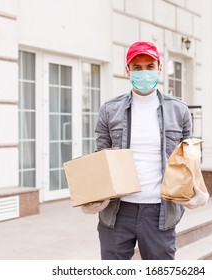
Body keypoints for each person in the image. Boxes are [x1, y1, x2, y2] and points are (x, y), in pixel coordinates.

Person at [81, 41, 193, 260]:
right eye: (137, 67)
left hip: (159, 212)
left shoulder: (179, 111)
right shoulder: (109, 110)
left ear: (159, 68)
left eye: (150, 67)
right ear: (127, 71)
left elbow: (188, 160)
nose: (144, 73)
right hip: (117, 212)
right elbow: (100, 157)